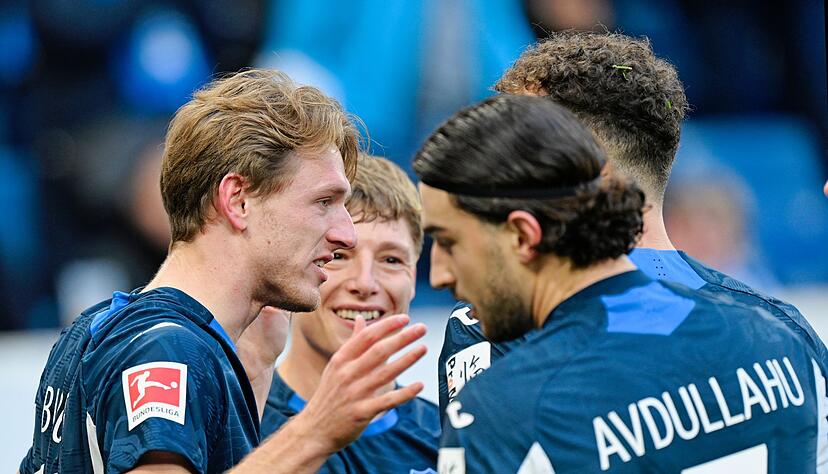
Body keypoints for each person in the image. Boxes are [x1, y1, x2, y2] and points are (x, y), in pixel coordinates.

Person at [20, 69, 428, 474]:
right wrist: (316, 432)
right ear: (238, 201)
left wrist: (259, 369)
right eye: (323, 202)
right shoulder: (167, 351)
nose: (345, 234)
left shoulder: (100, 325)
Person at [415, 93, 826, 471]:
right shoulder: (778, 336)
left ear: (524, 235)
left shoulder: (503, 408)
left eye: (449, 242)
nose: (438, 274)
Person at [260, 153, 440, 473]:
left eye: (391, 260)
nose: (365, 283)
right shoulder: (239, 423)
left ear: (413, 280)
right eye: (339, 255)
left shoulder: (448, 441)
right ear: (297, 269)